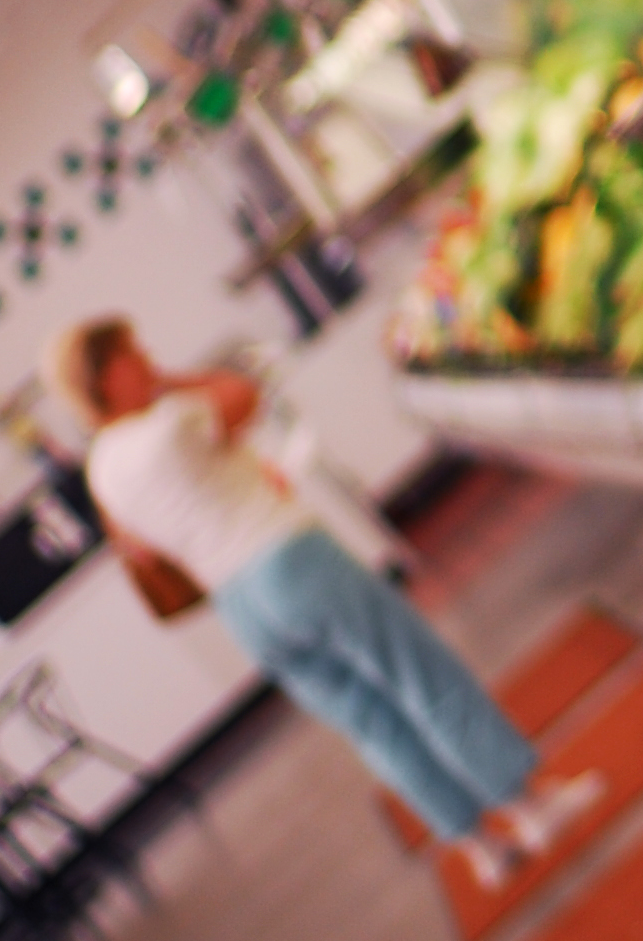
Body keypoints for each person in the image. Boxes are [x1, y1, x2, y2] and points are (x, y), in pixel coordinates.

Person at [48, 319, 602, 895]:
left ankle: (481, 848)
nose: (149, 356)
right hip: (287, 559)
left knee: (371, 725)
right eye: (134, 352)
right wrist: (168, 381)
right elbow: (241, 392)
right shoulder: (166, 423)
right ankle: (531, 808)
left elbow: (140, 547)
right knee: (421, 676)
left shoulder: (102, 470)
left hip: (241, 609)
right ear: (111, 372)